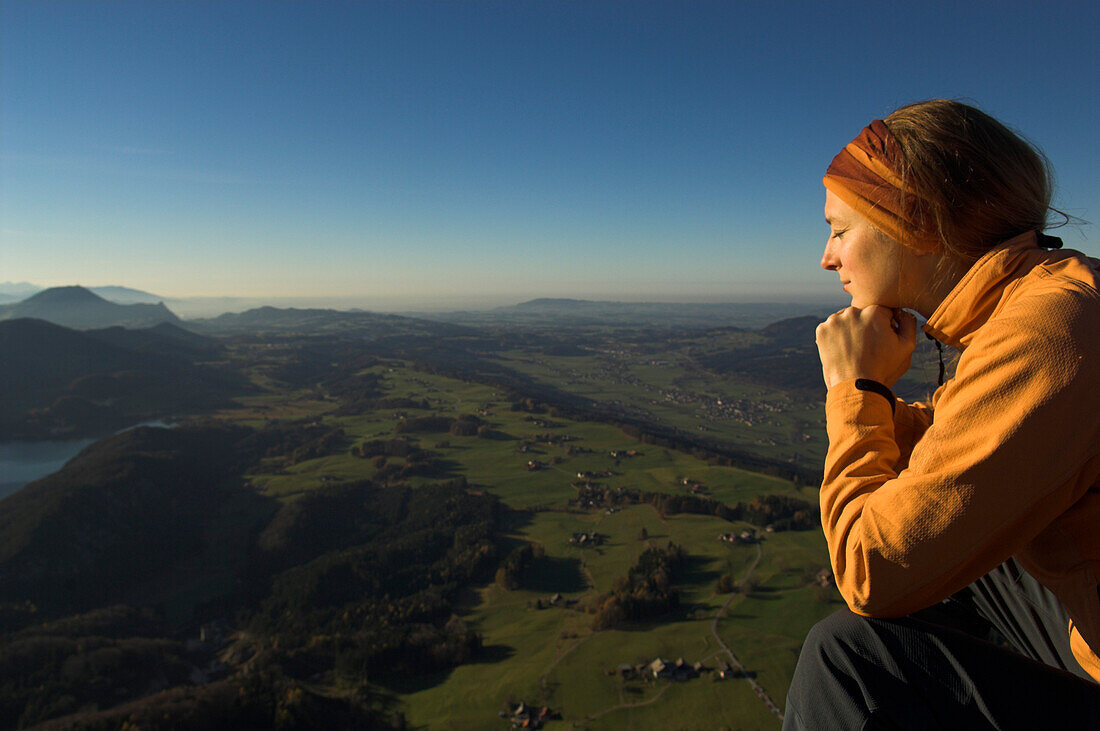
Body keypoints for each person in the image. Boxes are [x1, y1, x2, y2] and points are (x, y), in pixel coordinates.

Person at [783, 100, 1100, 729]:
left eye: (840, 229)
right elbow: (960, 446)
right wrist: (873, 404)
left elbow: (871, 568)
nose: (827, 257)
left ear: (916, 221)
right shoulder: (1046, 302)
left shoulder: (1048, 332)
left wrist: (857, 386)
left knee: (850, 658)